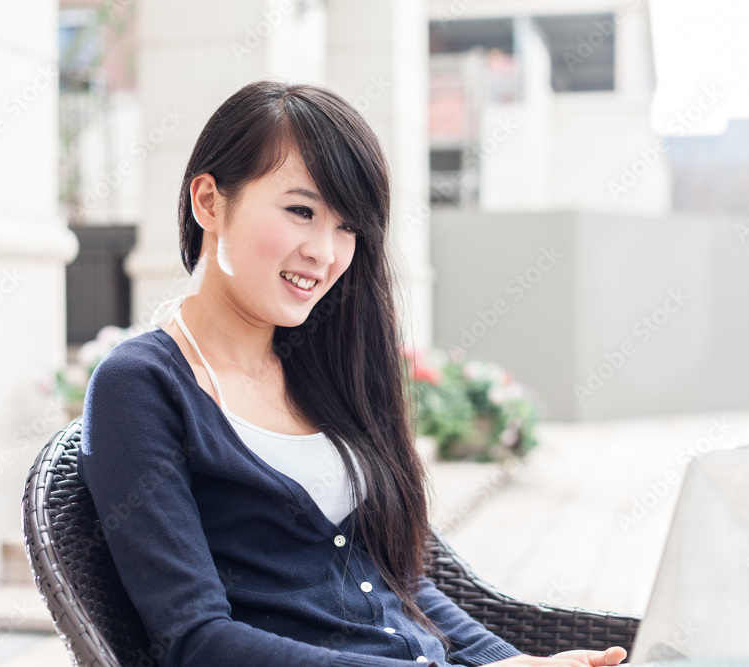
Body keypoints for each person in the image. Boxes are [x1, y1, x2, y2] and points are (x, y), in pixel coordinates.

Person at [78, 80, 628, 667]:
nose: (326, 251)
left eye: (347, 226)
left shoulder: (322, 367)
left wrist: (509, 662)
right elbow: (196, 641)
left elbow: (394, 578)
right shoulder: (141, 387)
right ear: (209, 202)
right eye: (300, 211)